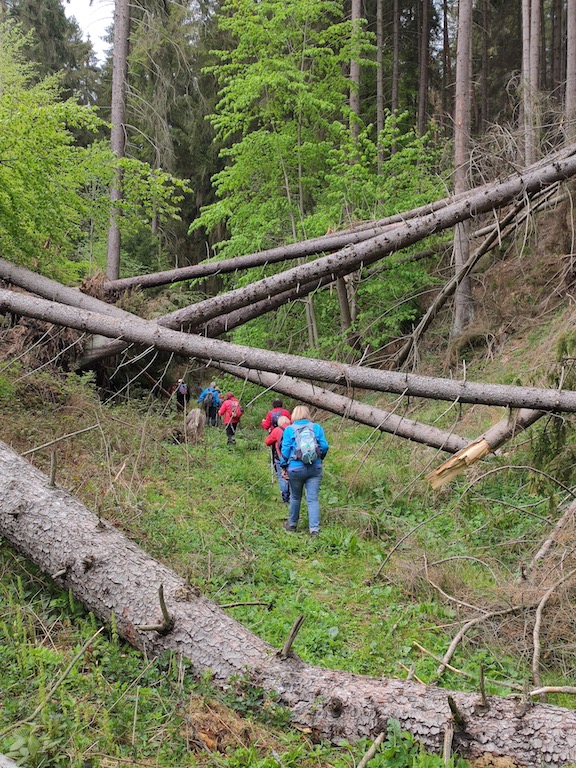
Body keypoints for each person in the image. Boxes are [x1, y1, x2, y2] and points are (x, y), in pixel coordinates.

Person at [280, 405, 329, 536]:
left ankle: (292, 524)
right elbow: (324, 446)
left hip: (295, 468)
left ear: (294, 415)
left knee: (295, 497)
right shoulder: (316, 427)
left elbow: (285, 451)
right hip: (315, 468)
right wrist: (319, 457)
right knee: (312, 499)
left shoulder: (289, 430)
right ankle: (314, 529)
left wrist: (283, 466)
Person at [264, 415, 291, 503]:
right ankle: (292, 496)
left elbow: (267, 442)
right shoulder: (294, 429)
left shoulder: (277, 430)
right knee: (291, 476)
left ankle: (285, 497)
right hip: (293, 458)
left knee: (281, 476)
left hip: (280, 457)